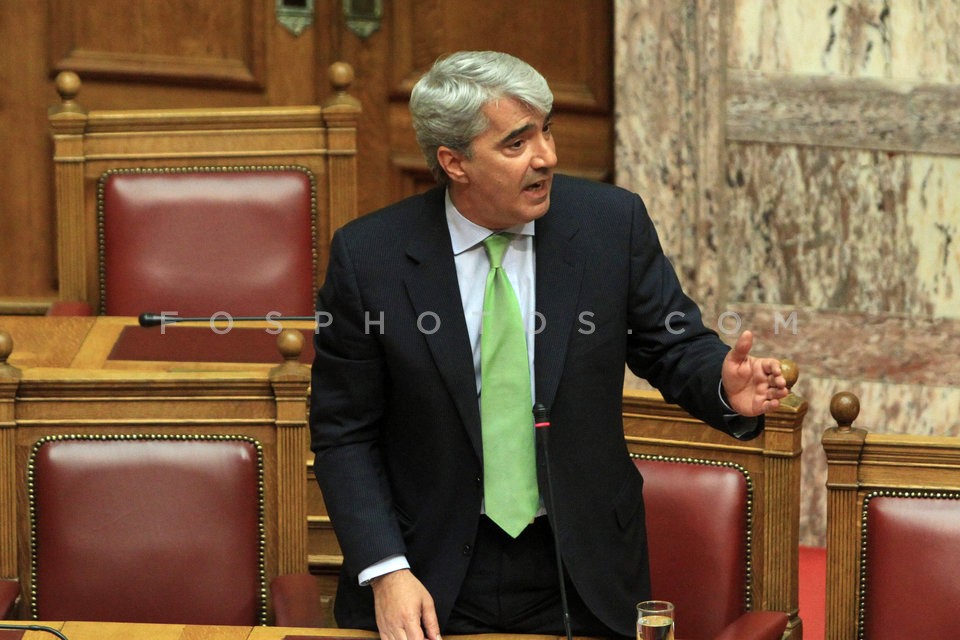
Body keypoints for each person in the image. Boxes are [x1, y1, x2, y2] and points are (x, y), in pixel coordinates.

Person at [309, 50, 788, 640]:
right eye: (517, 143)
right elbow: (343, 433)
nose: (547, 157)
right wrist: (386, 571)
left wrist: (721, 383)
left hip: (582, 569)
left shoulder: (610, 225)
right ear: (454, 162)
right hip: (426, 571)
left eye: (547, 130)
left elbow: (671, 345)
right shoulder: (370, 258)